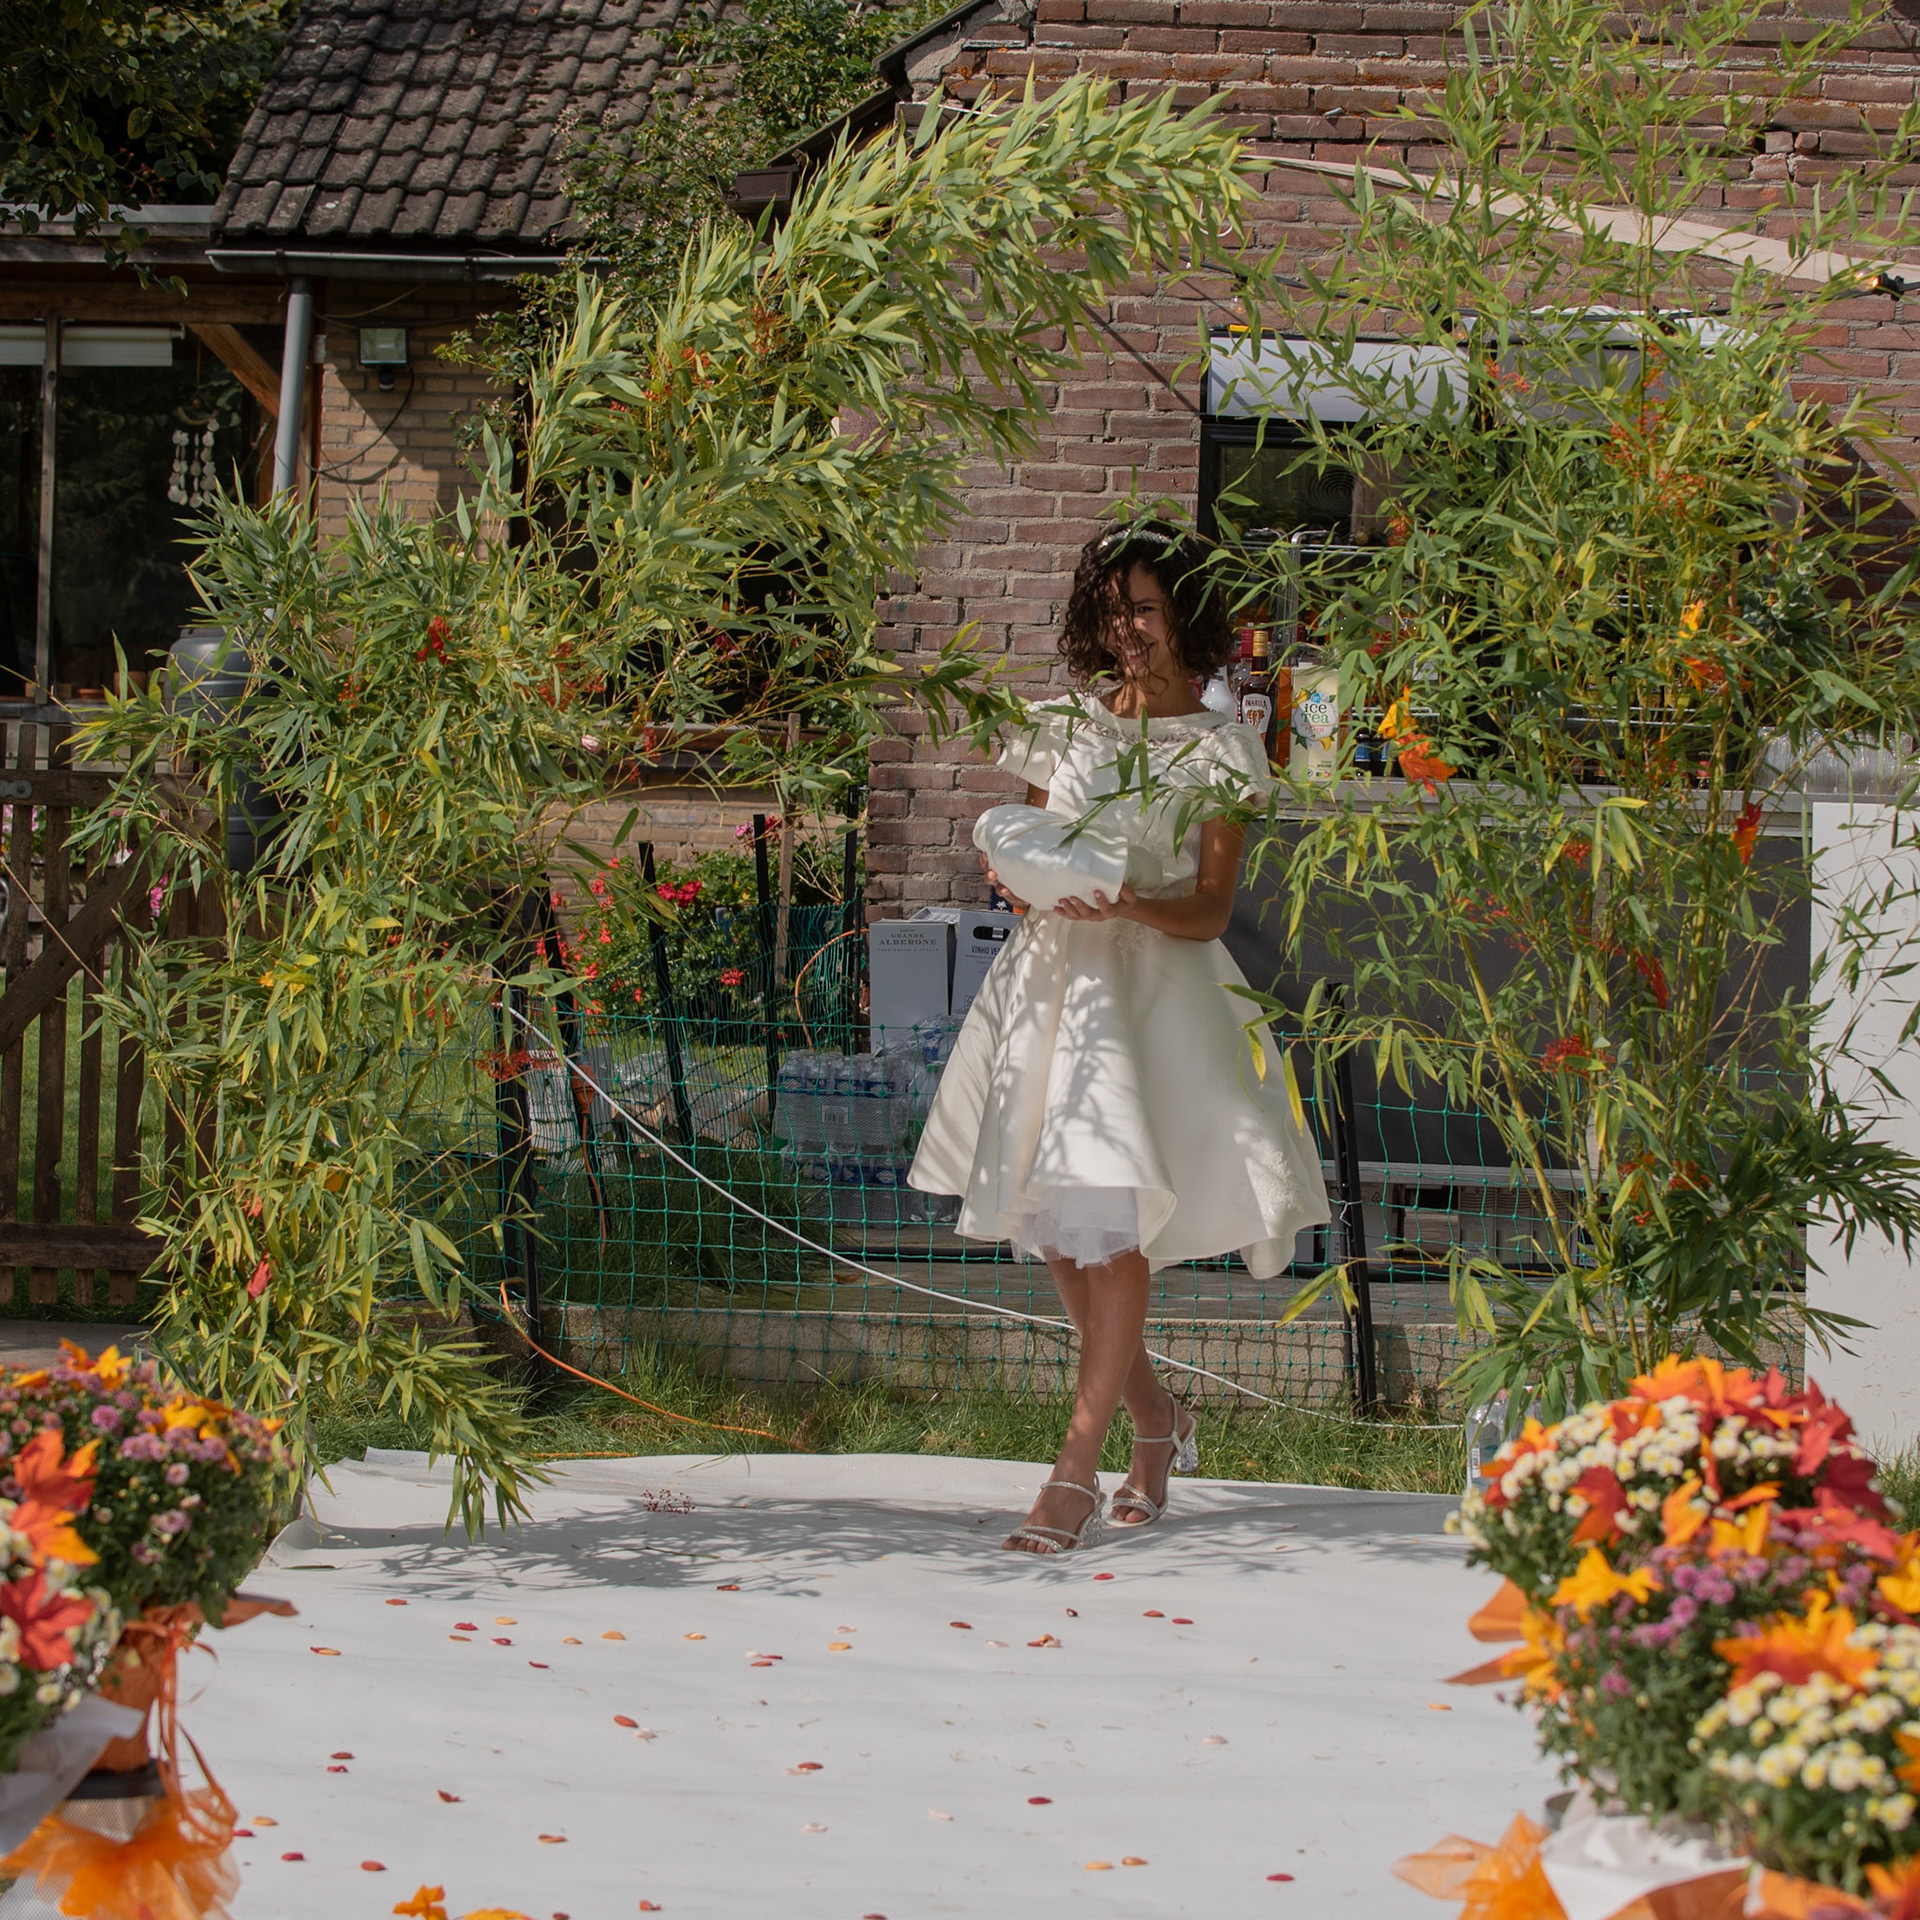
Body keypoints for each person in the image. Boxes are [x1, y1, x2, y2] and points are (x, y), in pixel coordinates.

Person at [907, 522, 1331, 1554]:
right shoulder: (1064, 728)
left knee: (1116, 1227)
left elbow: (1212, 910)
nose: (1125, 628)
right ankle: (1156, 1420)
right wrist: (1021, 882)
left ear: (1184, 615)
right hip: (1049, 991)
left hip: (1153, 1005)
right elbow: (1025, 849)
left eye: (1143, 608)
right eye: (1111, 609)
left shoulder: (1224, 749)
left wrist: (1130, 900)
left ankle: (1073, 1472)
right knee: (1060, 1231)